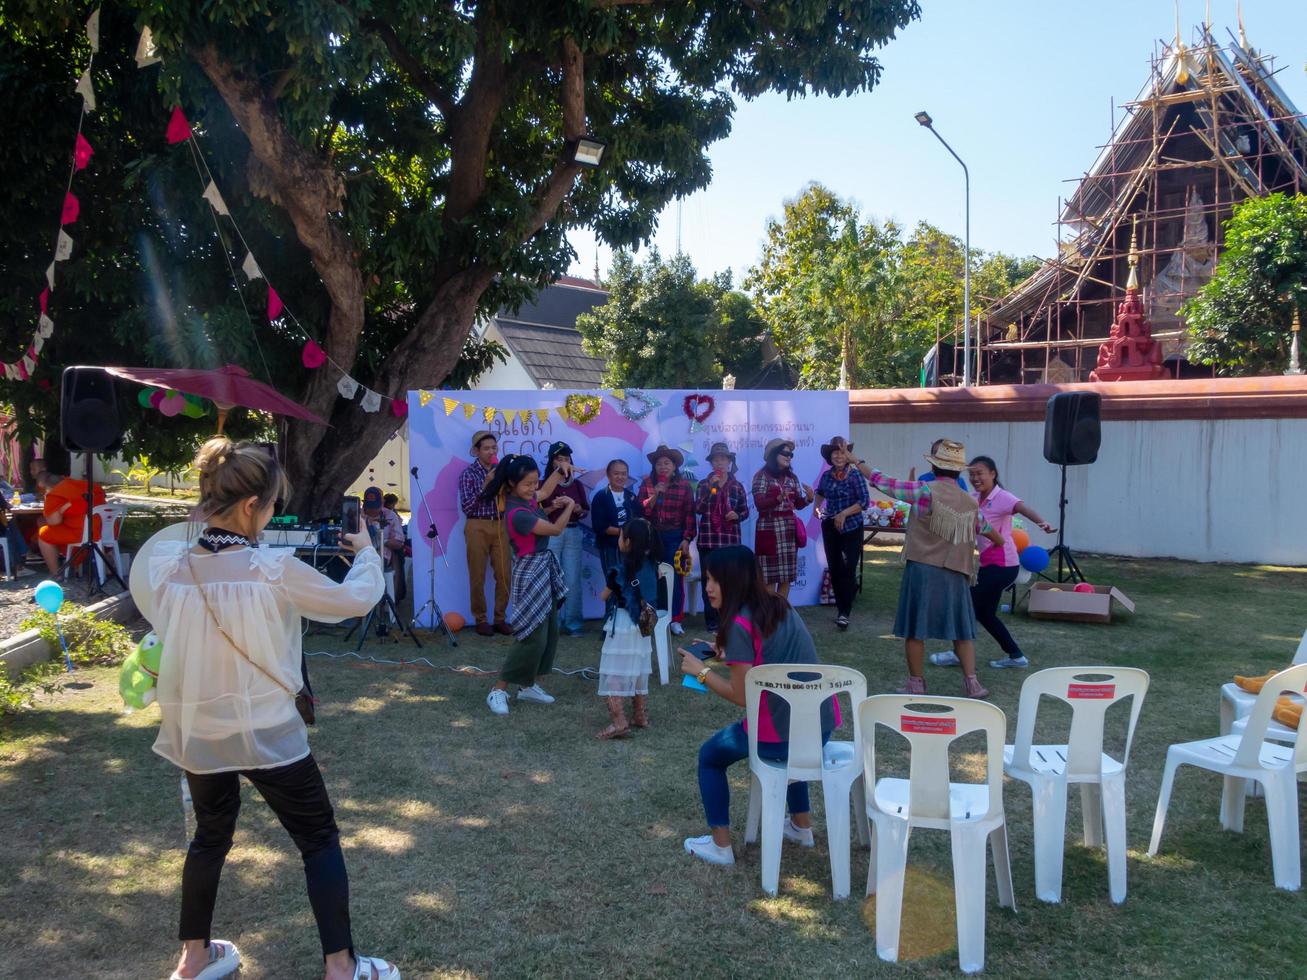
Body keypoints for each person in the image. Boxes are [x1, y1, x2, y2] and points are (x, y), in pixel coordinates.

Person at [149, 437, 397, 980]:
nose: (270, 516)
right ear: (248, 507)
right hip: (266, 727)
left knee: (210, 836)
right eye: (270, 505)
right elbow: (353, 600)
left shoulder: (170, 569)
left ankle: (193, 958)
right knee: (317, 837)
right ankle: (341, 966)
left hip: (200, 729)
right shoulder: (271, 569)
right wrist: (369, 551)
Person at [677, 545, 836, 866]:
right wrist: (728, 653)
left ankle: (720, 846)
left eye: (714, 580)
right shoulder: (778, 604)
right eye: (706, 579)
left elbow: (741, 695)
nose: (707, 588)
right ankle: (801, 827)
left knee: (709, 756)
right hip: (819, 726)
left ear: (734, 580)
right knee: (794, 742)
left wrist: (702, 671)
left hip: (779, 735)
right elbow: (768, 655)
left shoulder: (739, 624)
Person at [865, 439, 1004, 699]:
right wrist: (1001, 541)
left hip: (923, 569)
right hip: (956, 571)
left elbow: (884, 483)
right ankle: (972, 683)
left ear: (935, 465)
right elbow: (988, 531)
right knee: (962, 631)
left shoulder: (924, 490)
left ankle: (916, 683)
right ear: (958, 470)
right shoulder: (969, 503)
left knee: (915, 629)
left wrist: (857, 462)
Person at [930, 456, 1056, 671]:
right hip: (990, 565)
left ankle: (958, 653)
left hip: (1003, 566)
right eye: (972, 474)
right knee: (984, 613)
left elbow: (1023, 508)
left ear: (993, 474)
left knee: (967, 606)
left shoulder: (1003, 498)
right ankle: (1016, 656)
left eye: (980, 473)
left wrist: (1041, 522)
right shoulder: (974, 498)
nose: (975, 478)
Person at [482, 453, 576, 716]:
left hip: (542, 569)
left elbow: (545, 491)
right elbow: (556, 530)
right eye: (528, 484)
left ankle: (528, 686)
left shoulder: (527, 498)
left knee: (548, 633)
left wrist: (560, 470)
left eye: (535, 482)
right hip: (530, 572)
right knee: (530, 636)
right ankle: (498, 690)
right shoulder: (516, 513)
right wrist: (569, 506)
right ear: (511, 484)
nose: (534, 488)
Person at [596, 518, 661, 739]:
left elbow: (603, 596)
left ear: (628, 542)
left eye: (621, 536)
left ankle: (619, 721)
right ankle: (640, 716)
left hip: (624, 623)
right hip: (643, 626)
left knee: (614, 672)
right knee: (639, 669)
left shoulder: (620, 570)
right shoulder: (653, 565)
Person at [458, 431, 512, 637]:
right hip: (476, 526)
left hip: (500, 524)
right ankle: (480, 619)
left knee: (505, 574)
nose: (491, 451)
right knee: (477, 574)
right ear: (476, 451)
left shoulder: (503, 472)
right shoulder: (468, 474)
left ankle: (500, 619)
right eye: (487, 448)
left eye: (494, 447)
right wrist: (486, 484)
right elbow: (468, 508)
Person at [814, 436, 871, 631]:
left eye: (841, 452)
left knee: (848, 567)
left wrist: (844, 514)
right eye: (834, 453)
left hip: (852, 526)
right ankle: (842, 611)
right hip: (830, 526)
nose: (838, 456)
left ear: (847, 455)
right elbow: (820, 492)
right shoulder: (827, 476)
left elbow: (864, 502)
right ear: (830, 457)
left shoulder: (855, 476)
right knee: (836, 569)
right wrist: (816, 507)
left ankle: (847, 604)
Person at [639, 445, 696, 636]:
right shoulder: (647, 484)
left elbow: (689, 514)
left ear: (674, 466)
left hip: (675, 537)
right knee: (652, 578)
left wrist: (687, 539)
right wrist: (655, 494)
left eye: (667, 463)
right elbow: (641, 511)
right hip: (651, 537)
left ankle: (675, 620)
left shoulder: (684, 486)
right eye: (658, 463)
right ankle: (653, 618)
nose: (662, 467)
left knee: (675, 579)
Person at [694, 442, 749, 631]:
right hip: (708, 541)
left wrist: (738, 515)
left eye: (723, 459)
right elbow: (699, 509)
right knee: (709, 582)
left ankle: (730, 618)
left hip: (730, 541)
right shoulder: (703, 484)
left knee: (730, 581)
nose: (719, 463)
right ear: (711, 463)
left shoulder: (737, 486)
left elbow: (745, 511)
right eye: (716, 459)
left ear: (729, 462)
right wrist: (713, 489)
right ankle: (712, 621)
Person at [751, 438, 814, 600]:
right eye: (785, 453)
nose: (789, 457)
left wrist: (808, 499)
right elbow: (759, 504)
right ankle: (768, 616)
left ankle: (781, 615)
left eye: (791, 454)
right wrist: (778, 498)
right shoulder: (761, 476)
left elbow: (797, 504)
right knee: (769, 579)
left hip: (788, 532)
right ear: (773, 455)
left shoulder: (792, 478)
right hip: (769, 530)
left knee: (786, 578)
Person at [543, 441, 590, 636]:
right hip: (551, 533)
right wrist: (554, 506)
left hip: (573, 532)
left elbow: (585, 511)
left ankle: (573, 624)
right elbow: (535, 514)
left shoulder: (577, 484)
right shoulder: (542, 484)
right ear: (552, 462)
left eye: (566, 459)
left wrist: (577, 508)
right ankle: (548, 625)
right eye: (559, 459)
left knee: (572, 580)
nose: (563, 462)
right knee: (549, 580)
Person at [37, 470, 107, 575]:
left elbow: (54, 522)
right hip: (104, 530)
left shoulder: (57, 494)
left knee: (44, 533)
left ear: (48, 488)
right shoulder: (86, 486)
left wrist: (52, 504)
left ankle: (55, 574)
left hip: (82, 534)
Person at [590, 459, 641, 574]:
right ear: (608, 475)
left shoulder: (631, 496)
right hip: (610, 547)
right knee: (614, 584)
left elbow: (638, 520)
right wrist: (625, 532)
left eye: (624, 474)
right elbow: (599, 527)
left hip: (630, 547)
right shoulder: (601, 497)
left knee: (630, 582)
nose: (620, 477)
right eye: (616, 473)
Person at [363, 486, 405, 615]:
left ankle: (376, 603)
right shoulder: (357, 514)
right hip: (358, 554)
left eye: (375, 507)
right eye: (369, 507)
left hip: (381, 556)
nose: (372, 510)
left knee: (372, 565)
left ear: (382, 503)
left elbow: (399, 542)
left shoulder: (390, 515)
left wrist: (382, 541)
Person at [382, 493, 407, 603]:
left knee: (397, 572)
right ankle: (395, 597)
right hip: (393, 550)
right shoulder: (390, 514)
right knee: (397, 572)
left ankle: (395, 596)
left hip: (394, 548)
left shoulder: (391, 514)